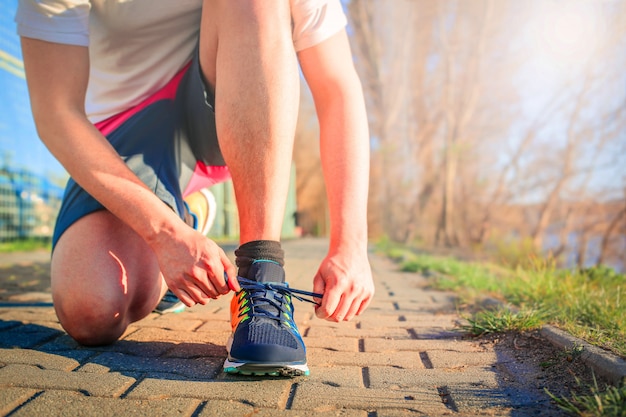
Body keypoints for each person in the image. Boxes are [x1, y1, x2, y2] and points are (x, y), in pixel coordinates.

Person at [16, 0, 374, 377]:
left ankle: (260, 276)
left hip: (218, 107)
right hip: (122, 134)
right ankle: (187, 215)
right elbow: (57, 112)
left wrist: (350, 245)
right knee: (92, 311)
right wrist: (165, 233)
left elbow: (336, 88)